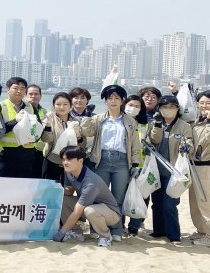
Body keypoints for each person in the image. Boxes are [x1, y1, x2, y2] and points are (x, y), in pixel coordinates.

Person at [80, 85, 141, 241]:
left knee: (117, 198)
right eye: (110, 98)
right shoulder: (99, 118)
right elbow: (86, 132)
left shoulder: (130, 121)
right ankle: (96, 229)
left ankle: (116, 231)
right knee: (98, 196)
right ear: (105, 101)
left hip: (122, 162)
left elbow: (135, 144)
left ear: (122, 101)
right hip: (101, 160)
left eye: (117, 98)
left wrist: (135, 164)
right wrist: (87, 114)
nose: (113, 101)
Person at [53, 146, 122, 247]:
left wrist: (61, 233)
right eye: (63, 159)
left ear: (80, 161)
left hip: (111, 213)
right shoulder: (68, 172)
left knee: (89, 210)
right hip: (90, 207)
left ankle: (105, 236)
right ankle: (75, 232)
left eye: (69, 159)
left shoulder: (91, 182)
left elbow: (77, 212)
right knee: (63, 200)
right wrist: (56, 190)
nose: (65, 162)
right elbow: (68, 192)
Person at [147, 95, 194, 243]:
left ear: (177, 109)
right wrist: (158, 125)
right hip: (157, 170)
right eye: (165, 107)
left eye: (172, 107)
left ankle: (174, 234)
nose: (168, 110)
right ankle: (159, 230)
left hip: (174, 172)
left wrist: (187, 146)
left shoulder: (184, 126)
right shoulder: (155, 123)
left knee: (170, 204)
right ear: (159, 109)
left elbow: (189, 141)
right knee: (157, 203)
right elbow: (154, 140)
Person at [123, 94, 152, 236]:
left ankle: (134, 226)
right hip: (121, 164)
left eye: (137, 106)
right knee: (120, 194)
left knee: (140, 197)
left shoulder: (145, 125)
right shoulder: (119, 121)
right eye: (130, 105)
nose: (133, 108)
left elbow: (151, 142)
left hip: (140, 166)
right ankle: (119, 224)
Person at [41, 92, 86, 182]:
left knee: (68, 190)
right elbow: (46, 139)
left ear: (70, 105)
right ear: (54, 106)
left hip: (71, 162)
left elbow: (82, 145)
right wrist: (48, 124)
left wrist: (78, 135)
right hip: (52, 161)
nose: (62, 107)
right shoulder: (48, 119)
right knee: (49, 188)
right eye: (58, 104)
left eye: (65, 104)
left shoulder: (76, 122)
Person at [0, 77, 37, 178]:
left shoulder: (31, 107)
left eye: (22, 88)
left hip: (27, 154)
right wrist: (15, 121)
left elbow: (37, 128)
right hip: (6, 154)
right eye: (15, 88)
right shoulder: (0, 106)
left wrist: (35, 138)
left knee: (24, 186)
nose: (19, 91)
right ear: (8, 89)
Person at [190, 90, 210, 246]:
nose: (204, 106)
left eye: (208, 103)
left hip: (207, 167)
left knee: (206, 201)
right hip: (193, 166)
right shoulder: (196, 121)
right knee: (195, 201)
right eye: (202, 103)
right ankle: (202, 230)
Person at [26, 84, 49, 178]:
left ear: (40, 96)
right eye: (30, 94)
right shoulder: (21, 110)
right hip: (25, 150)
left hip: (40, 152)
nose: (33, 96)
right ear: (25, 95)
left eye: (36, 94)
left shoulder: (46, 112)